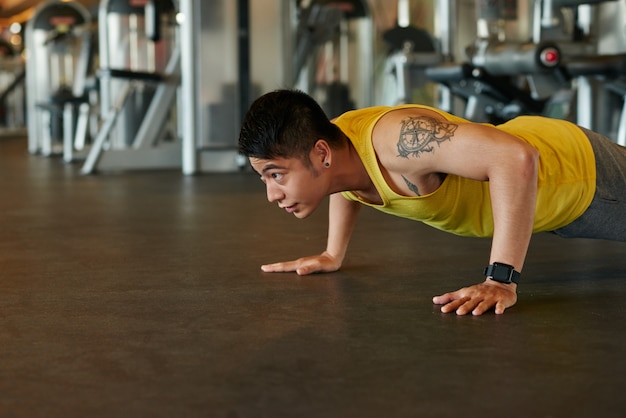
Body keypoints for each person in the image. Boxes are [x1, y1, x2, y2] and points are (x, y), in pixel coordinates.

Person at [238, 89, 626, 315]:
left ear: (321, 154)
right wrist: (332, 252)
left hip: (577, 175)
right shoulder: (338, 146)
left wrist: (501, 280)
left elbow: (516, 159)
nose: (272, 194)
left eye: (277, 174)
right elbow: (343, 183)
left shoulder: (397, 142)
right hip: (547, 196)